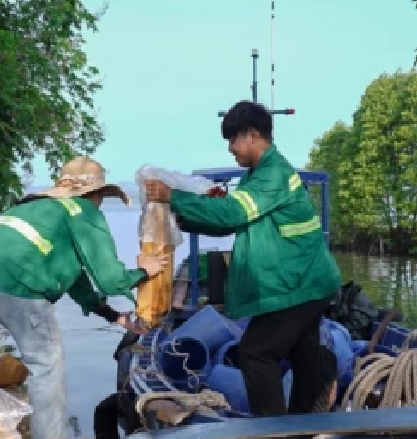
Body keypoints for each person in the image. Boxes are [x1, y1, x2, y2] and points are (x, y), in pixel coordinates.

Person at [0, 157, 168, 439]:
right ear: (93, 193)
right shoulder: (83, 211)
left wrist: (113, 316)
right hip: (14, 283)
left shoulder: (33, 207)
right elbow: (111, 279)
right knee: (45, 362)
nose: (100, 203)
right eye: (102, 196)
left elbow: (76, 277)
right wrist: (144, 271)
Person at [144, 100, 342, 416]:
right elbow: (232, 222)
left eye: (233, 140)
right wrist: (183, 219)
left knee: (255, 352)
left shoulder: (273, 174)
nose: (230, 149)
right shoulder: (255, 177)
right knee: (302, 350)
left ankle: (272, 430)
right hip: (304, 281)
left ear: (252, 135)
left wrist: (174, 196)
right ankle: (305, 415)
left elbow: (233, 212)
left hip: (301, 283)